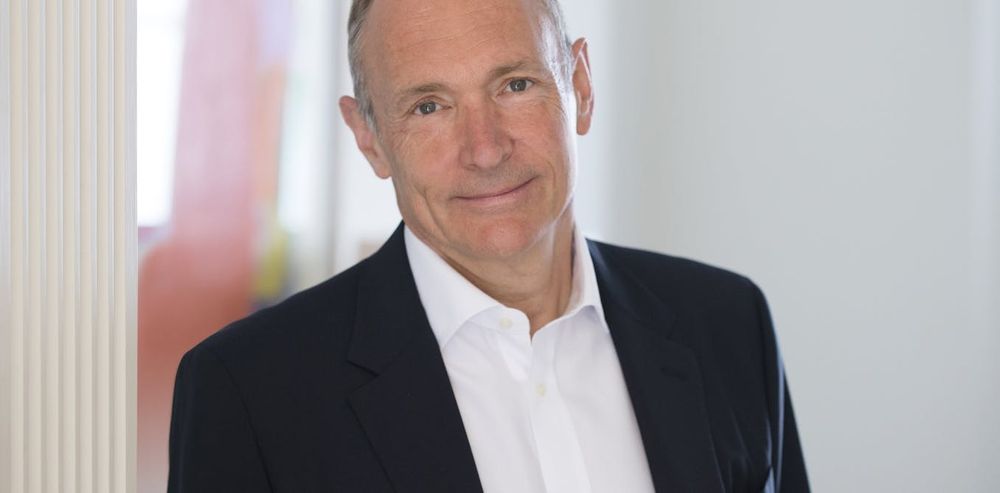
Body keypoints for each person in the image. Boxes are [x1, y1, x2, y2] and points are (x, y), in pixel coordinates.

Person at [167, 0, 810, 491]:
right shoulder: (249, 391)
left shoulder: (728, 324)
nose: (485, 149)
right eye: (429, 106)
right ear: (369, 139)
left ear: (581, 87)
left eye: (515, 85)